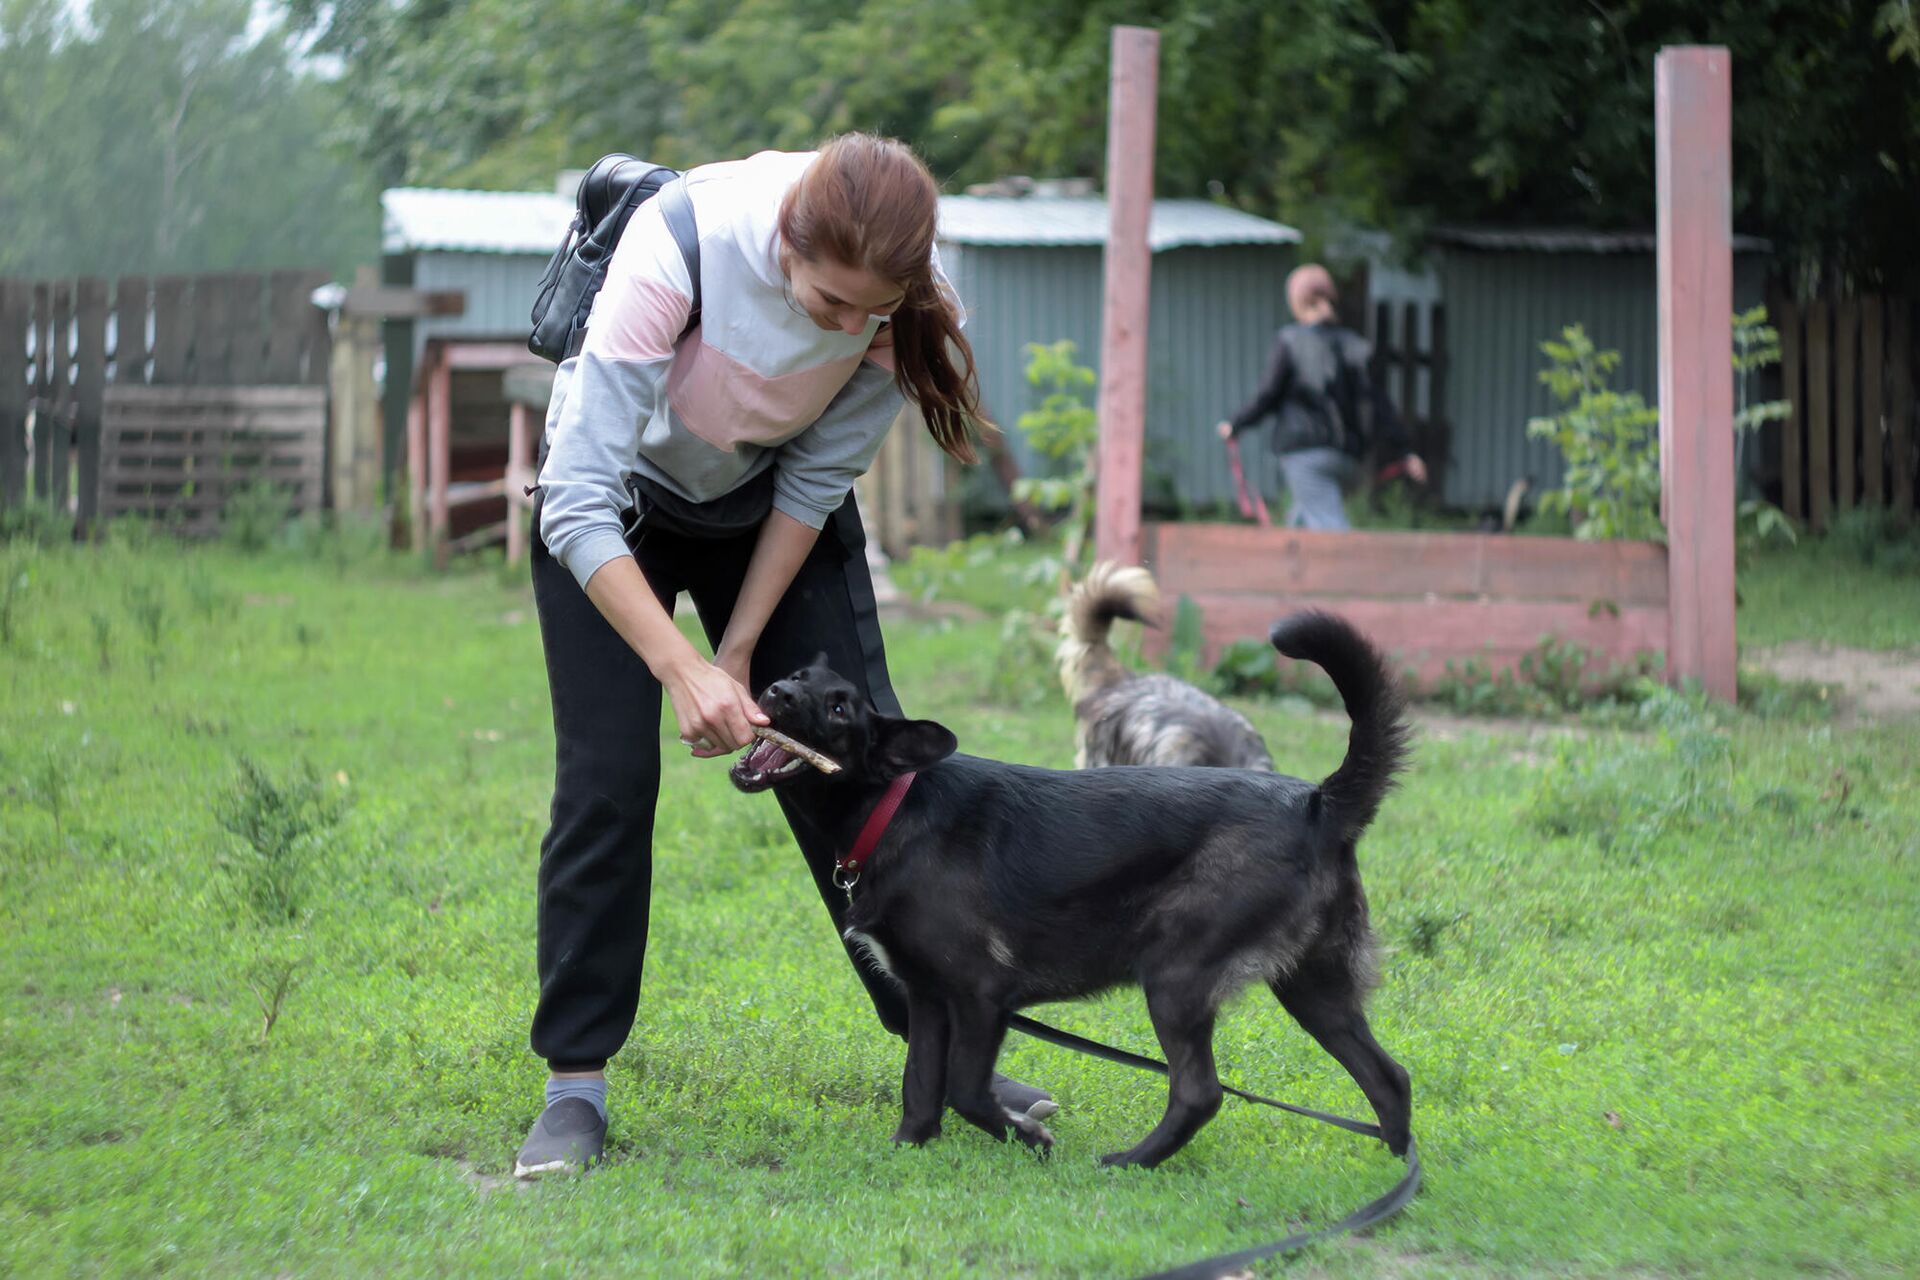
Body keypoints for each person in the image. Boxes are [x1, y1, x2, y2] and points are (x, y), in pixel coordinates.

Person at [516, 135, 1054, 1177]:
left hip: (764, 510)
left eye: (874, 312)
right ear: (785, 246)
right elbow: (577, 500)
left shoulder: (899, 303)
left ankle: (947, 1048)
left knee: (878, 777)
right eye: (829, 304)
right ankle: (575, 1083)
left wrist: (744, 645)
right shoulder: (681, 246)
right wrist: (682, 666)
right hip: (611, 506)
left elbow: (813, 485)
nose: (853, 328)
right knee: (606, 783)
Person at [1216, 264, 1428, 529]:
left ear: (1298, 301)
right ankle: (1282, 568)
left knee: (1329, 528)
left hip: (1305, 453)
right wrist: (1405, 451)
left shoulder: (1290, 341)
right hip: (1347, 458)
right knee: (1302, 520)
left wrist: (1235, 424)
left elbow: (1268, 395)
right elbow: (1379, 402)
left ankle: (1349, 569)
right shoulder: (1354, 344)